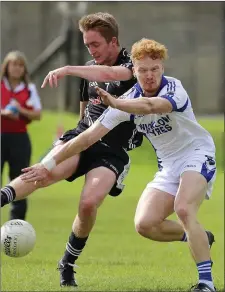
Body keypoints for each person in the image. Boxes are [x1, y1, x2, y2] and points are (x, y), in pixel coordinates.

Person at [21, 38, 217, 292]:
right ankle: (199, 236)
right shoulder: (126, 100)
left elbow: (151, 106)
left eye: (154, 69)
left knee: (183, 208)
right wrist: (47, 164)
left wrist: (116, 103)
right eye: (143, 70)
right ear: (133, 70)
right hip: (168, 165)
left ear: (162, 68)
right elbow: (86, 138)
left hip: (197, 154)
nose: (149, 75)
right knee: (145, 224)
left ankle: (206, 283)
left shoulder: (173, 89)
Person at [0, 12, 143, 287]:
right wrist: (65, 143)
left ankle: (67, 263)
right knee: (43, 173)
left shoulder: (131, 66)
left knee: (89, 204)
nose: (91, 51)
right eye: (87, 45)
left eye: (95, 44)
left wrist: (66, 69)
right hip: (82, 137)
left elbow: (110, 74)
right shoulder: (90, 69)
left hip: (111, 150)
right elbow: (84, 111)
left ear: (113, 42)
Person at [1, 50, 42, 220]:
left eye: (20, 65)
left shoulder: (29, 89)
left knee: (19, 181)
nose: (17, 68)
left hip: (20, 139)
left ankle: (16, 226)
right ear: (7, 67)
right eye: (14, 64)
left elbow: (37, 114)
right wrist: (4, 113)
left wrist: (20, 110)